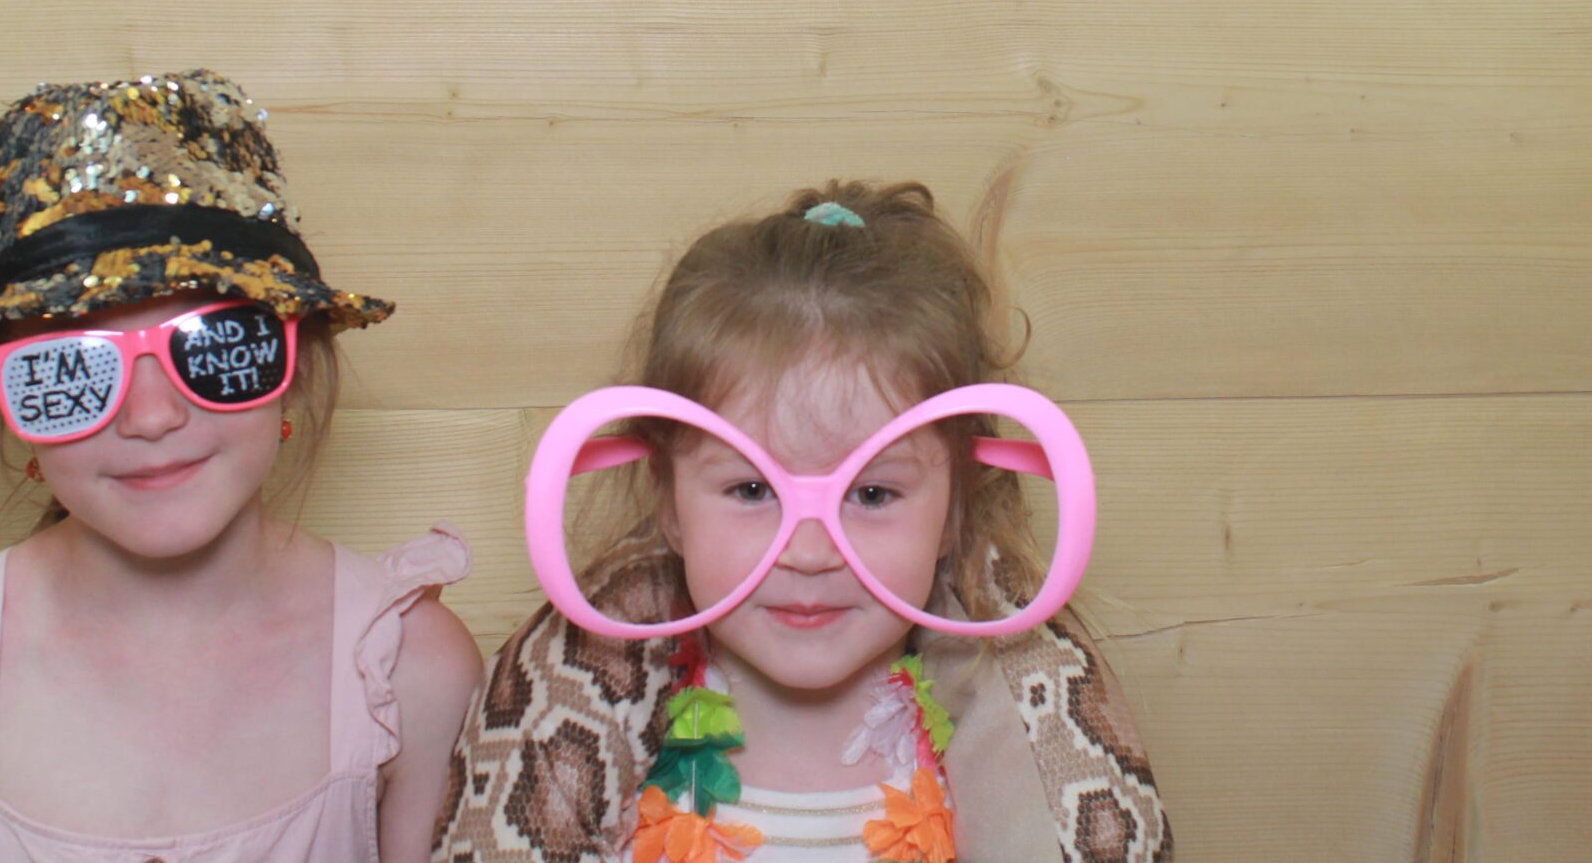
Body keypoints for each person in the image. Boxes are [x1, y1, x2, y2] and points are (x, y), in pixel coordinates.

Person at [0, 69, 480, 863]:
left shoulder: (409, 669)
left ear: (295, 362)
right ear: (2, 402)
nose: (151, 416)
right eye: (69, 369)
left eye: (214, 346)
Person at [438, 181, 1171, 863]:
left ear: (955, 511)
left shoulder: (999, 758)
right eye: (753, 488)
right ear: (669, 503)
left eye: (873, 494)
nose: (812, 550)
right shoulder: (597, 747)